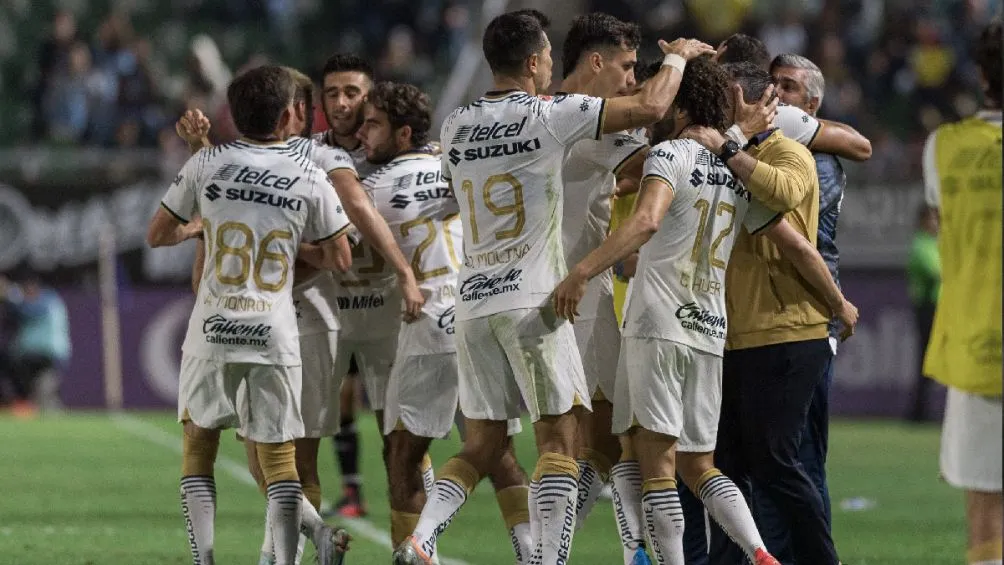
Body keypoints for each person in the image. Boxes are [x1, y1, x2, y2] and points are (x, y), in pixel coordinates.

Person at [393, 8, 715, 565]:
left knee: (490, 443)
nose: (633, 76)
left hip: (474, 299)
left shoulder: (456, 122)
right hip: (556, 297)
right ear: (537, 60)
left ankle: (422, 540)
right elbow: (654, 120)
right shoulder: (559, 116)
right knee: (579, 443)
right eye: (625, 65)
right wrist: (680, 62)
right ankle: (573, 557)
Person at [554, 54, 853, 565]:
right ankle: (759, 551)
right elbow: (791, 239)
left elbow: (646, 221)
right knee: (700, 463)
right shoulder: (738, 171)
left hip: (659, 324)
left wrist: (583, 270)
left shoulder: (669, 155)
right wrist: (839, 303)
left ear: (682, 106)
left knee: (655, 465)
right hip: (711, 330)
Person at [147, 65, 353, 565]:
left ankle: (205, 560)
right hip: (273, 331)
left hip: (212, 328)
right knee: (281, 462)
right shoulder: (310, 174)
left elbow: (157, 234)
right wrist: (285, 247)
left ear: (232, 116)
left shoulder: (207, 163)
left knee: (199, 449)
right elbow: (339, 258)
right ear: (289, 115)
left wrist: (202, 228)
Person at [681, 63, 857, 565]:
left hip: (788, 331)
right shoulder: (716, 157)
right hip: (732, 335)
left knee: (776, 462)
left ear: (740, 99)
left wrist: (729, 148)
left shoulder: (790, 153)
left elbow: (782, 198)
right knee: (726, 466)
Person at [355, 80, 532, 563]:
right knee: (498, 452)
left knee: (403, 458)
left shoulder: (373, 187)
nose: (361, 134)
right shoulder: (454, 166)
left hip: (429, 325)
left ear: (404, 133)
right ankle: (534, 556)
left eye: (373, 124)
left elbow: (334, 248)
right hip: (478, 318)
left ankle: (418, 550)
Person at [555, 14, 653, 565]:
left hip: (539, 292)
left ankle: (555, 551)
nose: (631, 79)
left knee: (595, 443)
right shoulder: (584, 122)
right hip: (578, 298)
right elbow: (659, 145)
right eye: (626, 66)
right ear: (597, 62)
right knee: (611, 439)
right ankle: (632, 550)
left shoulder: (541, 115)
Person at [317, 54, 423, 518]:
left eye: (352, 93)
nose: (342, 103)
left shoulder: (404, 154)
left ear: (371, 95)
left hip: (389, 313)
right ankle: (340, 505)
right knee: (306, 436)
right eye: (332, 93)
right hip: (328, 311)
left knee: (401, 440)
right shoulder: (309, 154)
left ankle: (417, 542)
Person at [921, 20, 1002, 565]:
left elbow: (939, 219)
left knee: (986, 508)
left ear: (978, 74)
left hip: (980, 344)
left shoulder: (944, 147)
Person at [0, 271, 70, 413]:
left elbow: (29, 311)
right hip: (33, 353)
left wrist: (10, 294)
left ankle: (23, 399)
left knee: (16, 365)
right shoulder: (28, 301)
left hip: (46, 352)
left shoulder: (48, 299)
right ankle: (24, 401)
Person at [906, 204, 940, 423]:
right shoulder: (921, 245)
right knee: (926, 360)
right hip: (928, 308)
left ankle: (922, 410)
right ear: (922, 222)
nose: (935, 224)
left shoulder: (935, 244)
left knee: (931, 360)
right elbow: (936, 272)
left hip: (938, 308)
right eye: (931, 219)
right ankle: (919, 412)